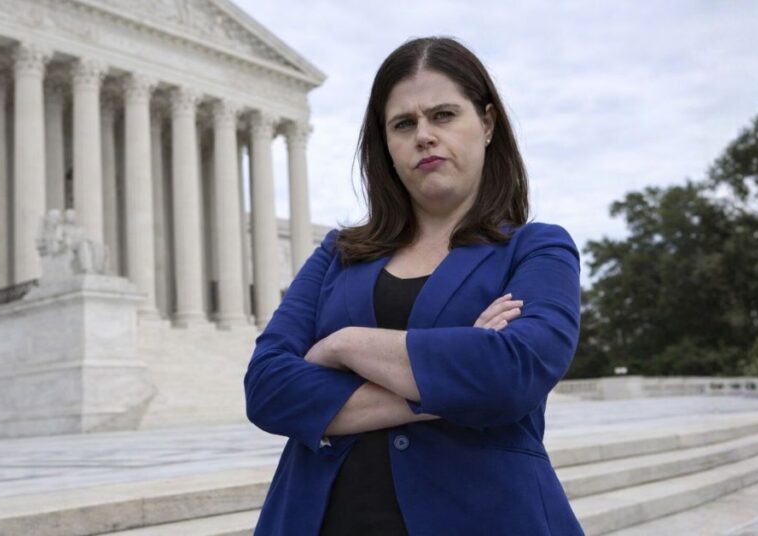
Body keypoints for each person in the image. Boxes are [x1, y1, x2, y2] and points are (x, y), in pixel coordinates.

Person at [244, 36, 584, 535]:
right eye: (404, 124)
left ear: (487, 123)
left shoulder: (537, 249)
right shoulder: (339, 254)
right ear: (386, 144)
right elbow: (267, 387)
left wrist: (343, 345)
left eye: (444, 115)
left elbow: (514, 375)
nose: (424, 135)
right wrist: (452, 377)